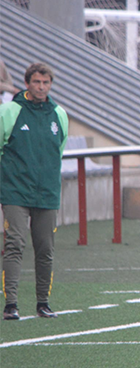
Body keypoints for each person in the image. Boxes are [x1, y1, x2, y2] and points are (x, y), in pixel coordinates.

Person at [1, 63, 69, 320]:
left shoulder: (59, 114)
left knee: (45, 249)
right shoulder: (9, 111)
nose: (41, 87)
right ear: (27, 83)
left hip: (47, 193)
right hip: (15, 192)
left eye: (46, 83)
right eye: (37, 82)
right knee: (15, 243)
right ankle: (11, 304)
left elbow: (58, 150)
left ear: (50, 84)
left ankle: (43, 302)